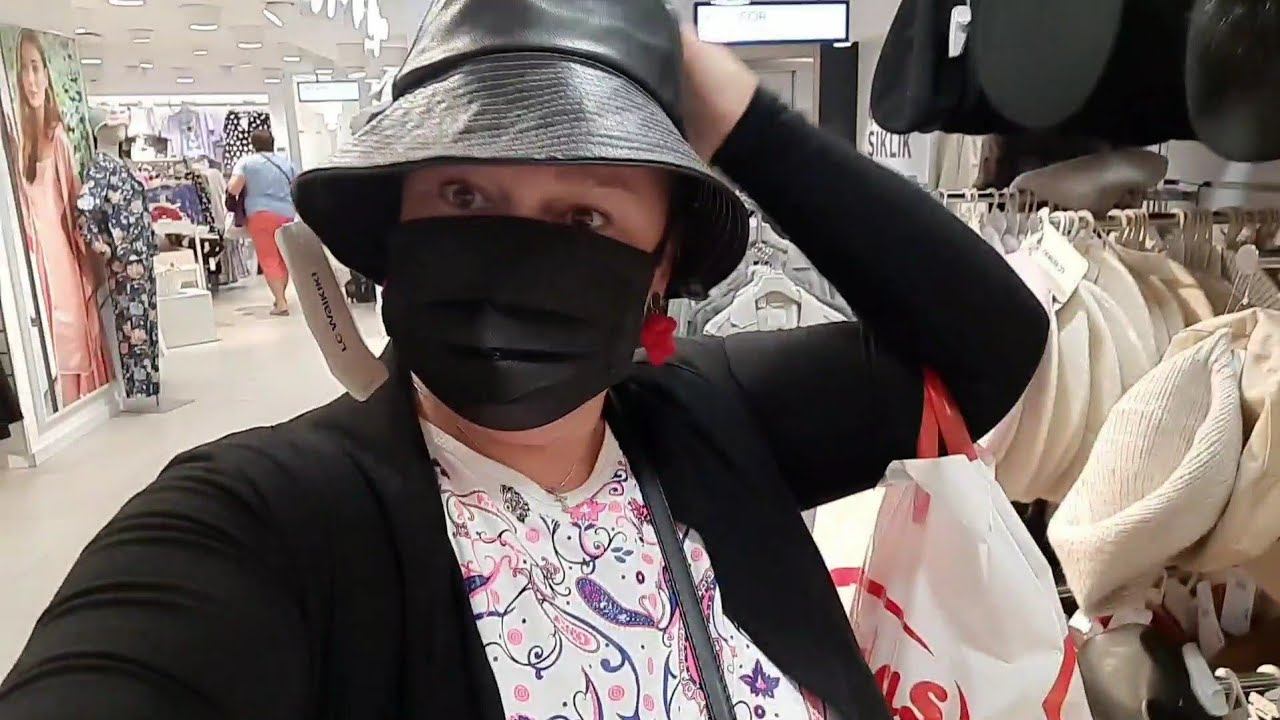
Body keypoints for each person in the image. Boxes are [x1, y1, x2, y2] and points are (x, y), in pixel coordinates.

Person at [0, 3, 1049, 719]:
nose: (514, 254)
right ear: (397, 221)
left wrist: (716, 101)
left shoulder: (714, 416)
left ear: (660, 268)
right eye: (464, 196)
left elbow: (992, 344)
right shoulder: (268, 524)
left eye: (585, 214)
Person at [11, 28, 109, 406]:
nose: (31, 79)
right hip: (37, 264)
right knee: (53, 347)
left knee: (72, 346)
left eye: (36, 67)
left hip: (64, 260)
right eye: (24, 69)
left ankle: (77, 409)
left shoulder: (58, 140)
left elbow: (75, 205)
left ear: (47, 74)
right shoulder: (21, 144)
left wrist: (90, 263)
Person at [228, 128, 297, 316]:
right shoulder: (286, 163)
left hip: (260, 214)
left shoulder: (247, 163)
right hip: (287, 213)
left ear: (253, 144)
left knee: (268, 257)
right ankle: (281, 296)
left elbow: (233, 188)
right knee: (282, 256)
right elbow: (297, 186)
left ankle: (281, 302)